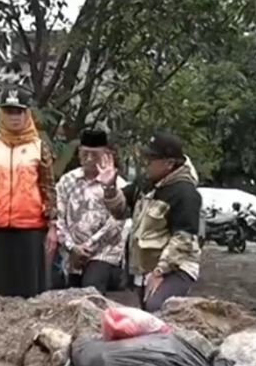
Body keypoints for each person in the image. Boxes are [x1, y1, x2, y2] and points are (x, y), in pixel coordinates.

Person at [97, 130, 201, 312]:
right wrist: (109, 188)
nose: (146, 163)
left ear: (169, 163)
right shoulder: (146, 184)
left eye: (151, 159)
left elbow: (183, 239)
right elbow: (120, 210)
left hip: (176, 265)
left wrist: (160, 272)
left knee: (158, 307)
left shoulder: (185, 193)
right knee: (146, 312)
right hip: (145, 265)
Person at [0, 90, 57, 297]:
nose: (14, 117)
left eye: (19, 112)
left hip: (31, 229)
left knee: (30, 292)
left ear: (27, 114)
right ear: (1, 114)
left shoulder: (39, 147)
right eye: (9, 111)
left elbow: (48, 188)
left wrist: (53, 226)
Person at [52, 128, 127, 293]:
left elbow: (116, 223)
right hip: (72, 250)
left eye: (95, 154)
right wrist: (72, 247)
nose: (89, 158)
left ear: (106, 155)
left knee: (90, 291)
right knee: (69, 296)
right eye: (85, 153)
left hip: (103, 251)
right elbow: (59, 216)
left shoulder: (118, 185)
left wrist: (87, 247)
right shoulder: (67, 181)